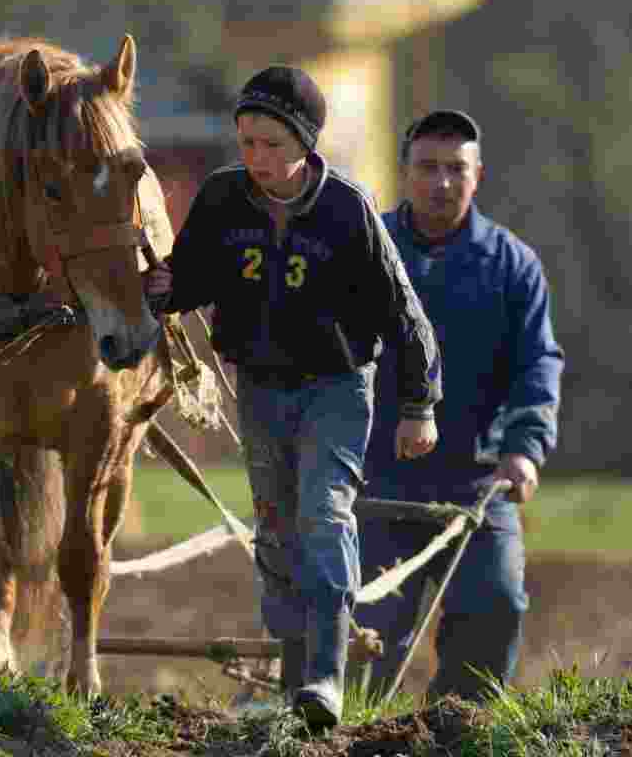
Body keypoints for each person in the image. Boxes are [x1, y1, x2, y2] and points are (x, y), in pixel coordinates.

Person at [143, 66, 443, 728]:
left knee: (324, 515)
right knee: (276, 531)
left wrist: (420, 403)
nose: (257, 158)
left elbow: (403, 314)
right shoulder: (224, 199)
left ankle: (326, 678)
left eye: (272, 144)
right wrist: (162, 287)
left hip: (336, 386)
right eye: (247, 142)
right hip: (260, 386)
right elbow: (193, 278)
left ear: (306, 143)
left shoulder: (347, 209)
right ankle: (291, 678)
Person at [352, 110, 565, 702]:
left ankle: (457, 731)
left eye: (456, 169)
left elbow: (537, 365)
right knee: (365, 635)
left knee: (495, 605)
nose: (441, 182)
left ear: (479, 176)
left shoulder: (513, 265)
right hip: (376, 480)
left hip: (477, 482)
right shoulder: (366, 252)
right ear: (405, 173)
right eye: (428, 168)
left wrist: (524, 450)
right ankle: (350, 737)